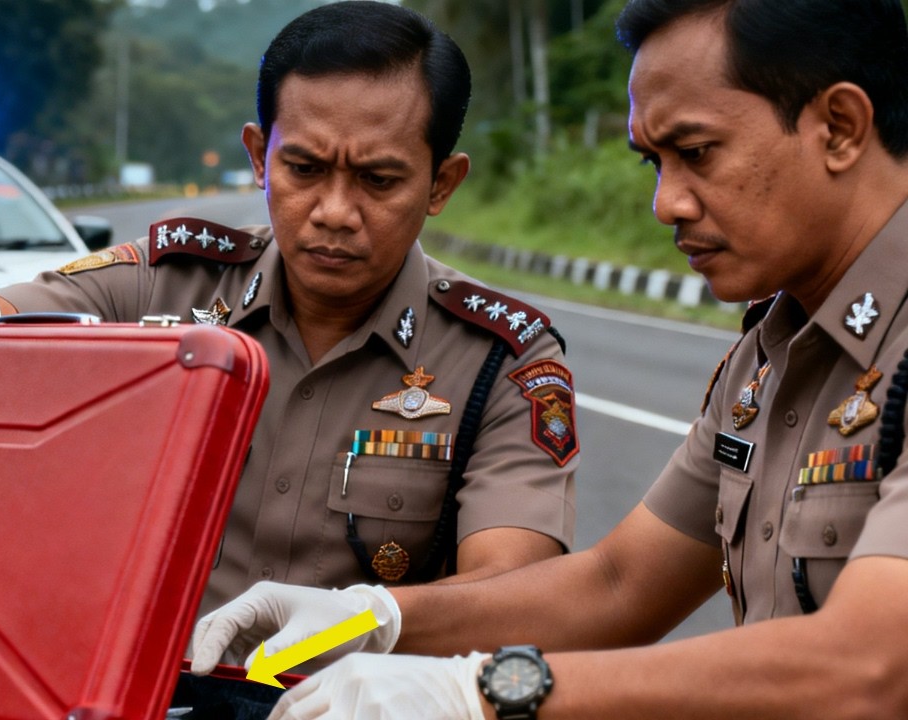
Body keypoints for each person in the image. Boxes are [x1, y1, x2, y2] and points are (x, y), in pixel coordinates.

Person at [188, 0, 908, 717]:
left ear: (839, 128)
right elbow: (617, 586)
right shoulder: (770, 355)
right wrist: (369, 616)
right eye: (652, 162)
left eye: (695, 153)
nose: (666, 203)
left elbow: (872, 665)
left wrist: (484, 691)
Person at [0, 1, 577, 626]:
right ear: (260, 157)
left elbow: (514, 595)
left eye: (379, 180)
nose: (334, 212)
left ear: (441, 183)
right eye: (304, 169)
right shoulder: (163, 286)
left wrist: (363, 625)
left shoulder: (501, 360)